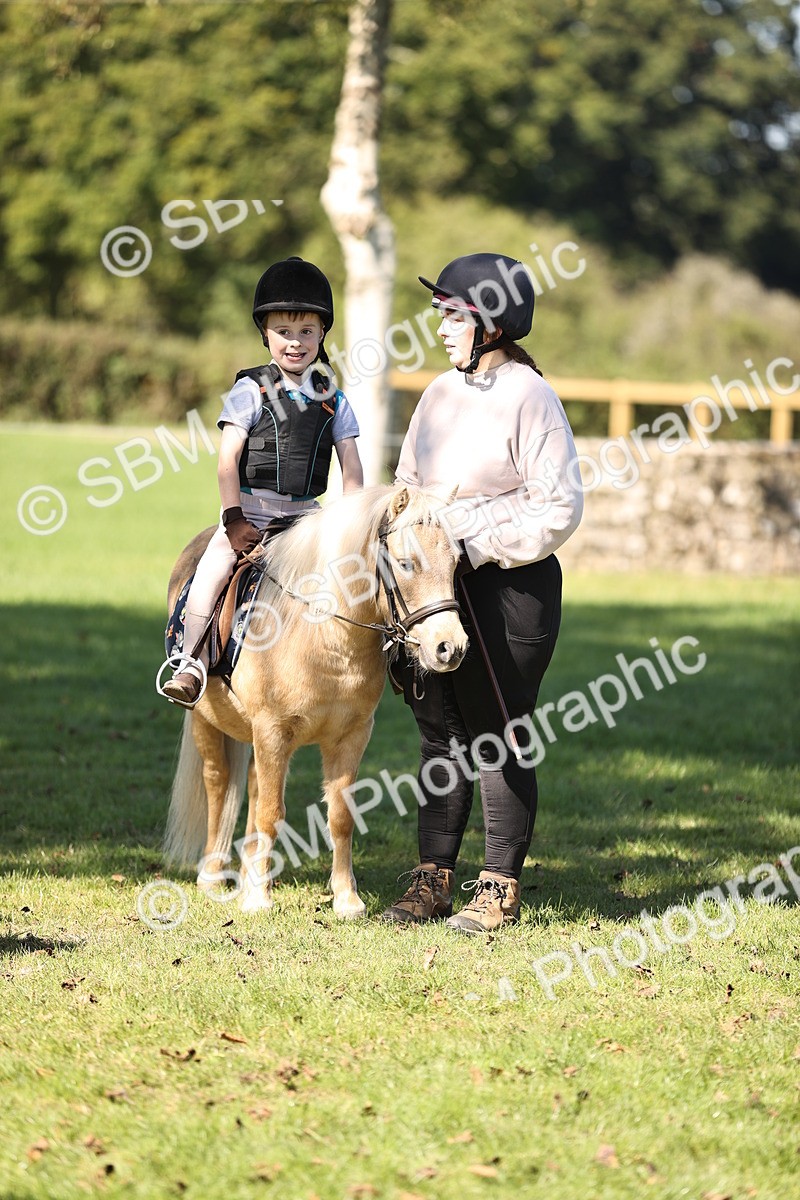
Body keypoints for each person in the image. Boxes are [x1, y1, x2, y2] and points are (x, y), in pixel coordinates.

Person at [382, 252, 583, 934]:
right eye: (439, 314)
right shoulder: (438, 393)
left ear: (490, 323)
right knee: (440, 734)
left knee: (496, 734)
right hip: (434, 588)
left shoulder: (532, 397)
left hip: (509, 591)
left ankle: (498, 888)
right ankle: (431, 880)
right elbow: (407, 485)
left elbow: (558, 507)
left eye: (451, 315)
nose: (439, 328)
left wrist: (474, 541)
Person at [161, 256, 363, 707]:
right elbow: (227, 459)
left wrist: (351, 524)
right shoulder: (249, 391)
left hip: (306, 519)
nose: (295, 343)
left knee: (355, 582)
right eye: (284, 333)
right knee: (212, 571)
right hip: (249, 512)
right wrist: (232, 520)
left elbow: (351, 465)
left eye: (306, 332)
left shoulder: (334, 398)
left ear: (322, 334)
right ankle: (191, 662)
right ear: (266, 334)